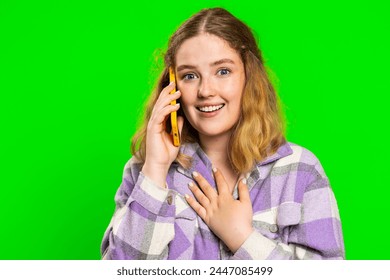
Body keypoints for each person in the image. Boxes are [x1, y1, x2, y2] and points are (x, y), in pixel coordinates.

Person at [100, 7, 345, 260]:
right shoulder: (145, 170)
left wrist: (241, 237)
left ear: (249, 77)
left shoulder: (300, 170)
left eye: (223, 71)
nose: (205, 90)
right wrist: (155, 168)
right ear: (172, 87)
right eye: (190, 76)